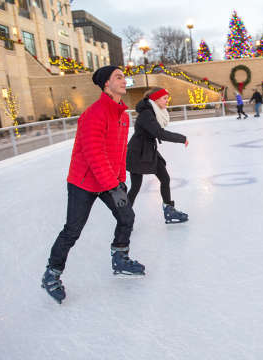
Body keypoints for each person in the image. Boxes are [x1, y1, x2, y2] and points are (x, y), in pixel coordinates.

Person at [41, 66, 144, 305]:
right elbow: (93, 154)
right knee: (73, 230)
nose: (123, 80)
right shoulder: (94, 114)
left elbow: (119, 153)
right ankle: (51, 273)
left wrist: (120, 181)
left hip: (108, 179)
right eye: (118, 77)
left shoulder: (123, 115)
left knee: (126, 216)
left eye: (123, 77)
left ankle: (120, 258)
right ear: (106, 84)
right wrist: (113, 185)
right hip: (84, 182)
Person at [126, 87, 189, 224]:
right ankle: (124, 217)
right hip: (138, 152)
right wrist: (182, 138)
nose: (167, 101)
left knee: (164, 178)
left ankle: (169, 210)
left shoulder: (155, 111)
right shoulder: (147, 114)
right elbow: (159, 133)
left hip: (149, 149)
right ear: (155, 99)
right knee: (135, 186)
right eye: (165, 98)